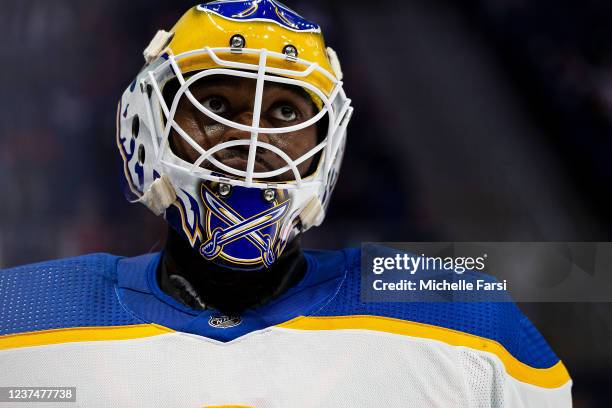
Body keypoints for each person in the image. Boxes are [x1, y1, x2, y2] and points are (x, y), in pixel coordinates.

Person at [0, 1, 571, 406]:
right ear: (149, 128)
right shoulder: (21, 319)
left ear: (330, 145)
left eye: (285, 113)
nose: (248, 141)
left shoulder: (464, 320)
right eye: (215, 102)